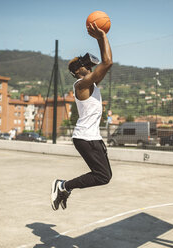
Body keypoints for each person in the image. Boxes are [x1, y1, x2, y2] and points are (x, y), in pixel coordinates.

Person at [51, 22, 113, 211]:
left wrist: (101, 39)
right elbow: (107, 62)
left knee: (105, 175)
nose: (89, 66)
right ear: (78, 71)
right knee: (102, 176)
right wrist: (102, 37)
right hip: (85, 138)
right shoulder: (81, 85)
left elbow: (105, 63)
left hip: (92, 137)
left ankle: (64, 187)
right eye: (86, 65)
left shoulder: (91, 83)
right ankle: (63, 186)